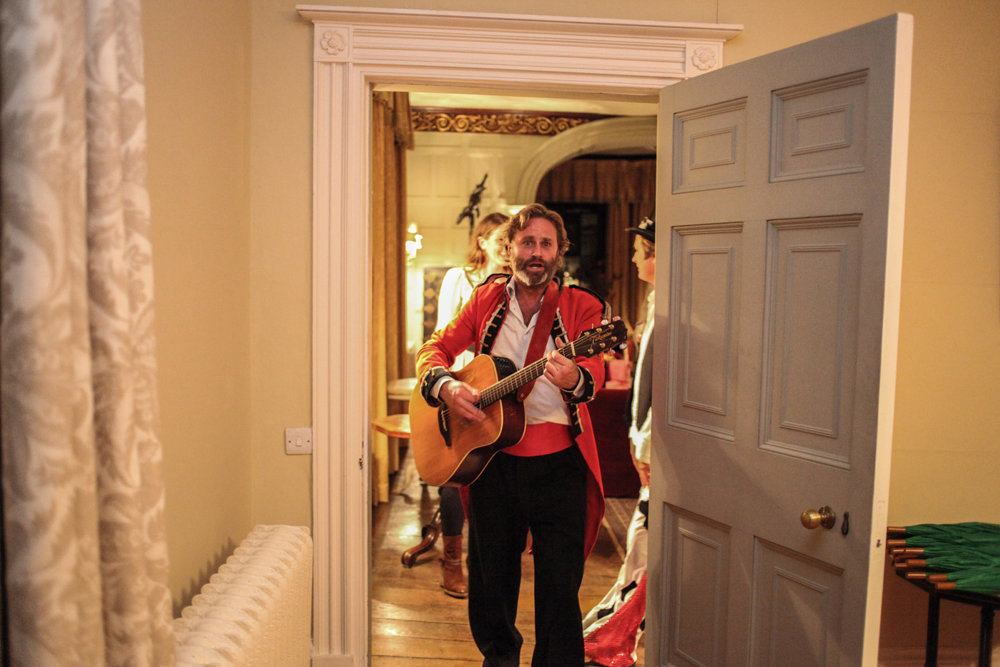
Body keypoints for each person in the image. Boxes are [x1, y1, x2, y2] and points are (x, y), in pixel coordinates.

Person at [416, 203, 609, 666]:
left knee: (559, 590)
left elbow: (595, 373)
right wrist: (444, 386)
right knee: (489, 585)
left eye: (546, 244)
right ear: (510, 249)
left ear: (559, 252)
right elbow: (435, 347)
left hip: (558, 467)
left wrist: (573, 380)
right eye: (527, 243)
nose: (536, 253)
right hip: (493, 464)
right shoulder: (485, 299)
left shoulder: (583, 306)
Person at [582, 215, 656, 667]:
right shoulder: (655, 299)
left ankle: (608, 644)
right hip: (650, 442)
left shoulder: (666, 302)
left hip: (660, 450)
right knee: (642, 547)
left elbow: (652, 385)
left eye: (638, 248)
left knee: (645, 547)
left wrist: (643, 445)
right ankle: (609, 641)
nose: (631, 256)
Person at [433, 212, 510, 598]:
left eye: (512, 240)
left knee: (491, 474)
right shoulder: (460, 280)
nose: (508, 247)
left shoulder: (517, 285)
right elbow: (444, 335)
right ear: (482, 241)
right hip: (461, 388)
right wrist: (447, 384)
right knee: (453, 475)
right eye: (501, 239)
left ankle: (488, 559)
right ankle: (452, 562)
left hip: (499, 395)